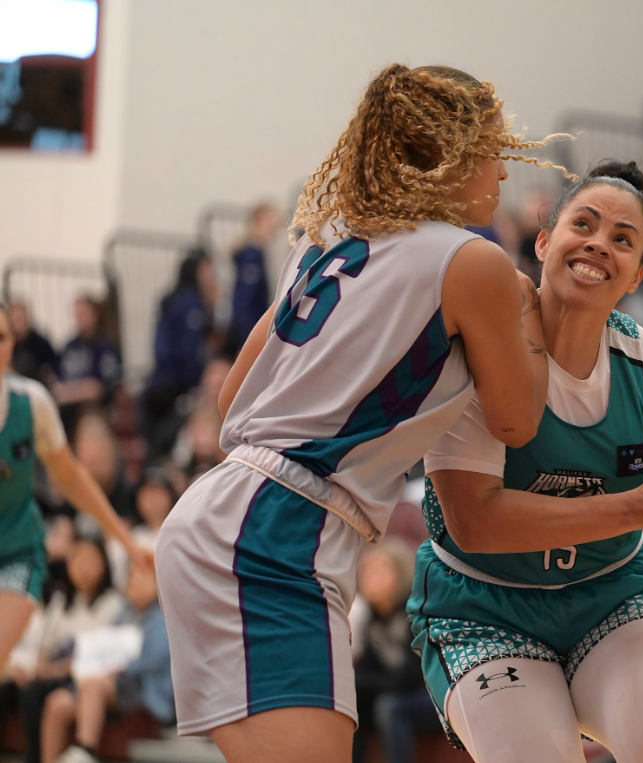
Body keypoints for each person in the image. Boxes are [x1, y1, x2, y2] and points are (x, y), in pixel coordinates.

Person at [154, 64, 554, 763]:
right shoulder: (474, 262)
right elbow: (518, 422)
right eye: (493, 148)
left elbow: (231, 396)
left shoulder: (330, 236)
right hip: (274, 533)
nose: (502, 170)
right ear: (448, 153)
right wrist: (527, 310)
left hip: (234, 509)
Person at [410, 161, 643, 763]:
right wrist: (636, 506)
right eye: (583, 223)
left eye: (623, 239)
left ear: (636, 276)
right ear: (544, 241)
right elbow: (474, 522)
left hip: (618, 591)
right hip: (483, 604)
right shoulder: (475, 357)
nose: (598, 244)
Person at [0, 303, 151, 682]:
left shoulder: (31, 403)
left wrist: (128, 544)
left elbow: (71, 479)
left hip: (18, 552)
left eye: (0, 337)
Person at [42, 562, 173, 763]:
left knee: (93, 684)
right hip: (108, 682)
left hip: (142, 686)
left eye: (144, 580)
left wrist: (114, 668)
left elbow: (148, 662)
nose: (137, 585)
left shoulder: (163, 617)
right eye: (133, 580)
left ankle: (86, 750)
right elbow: (102, 645)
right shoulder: (123, 614)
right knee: (58, 701)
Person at [14, 538, 127, 763]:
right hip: (54, 671)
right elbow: (46, 646)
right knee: (13, 688)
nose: (84, 567)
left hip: (83, 675)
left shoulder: (114, 603)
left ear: (104, 564)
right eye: (77, 560)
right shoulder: (61, 599)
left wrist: (54, 671)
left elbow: (100, 654)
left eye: (90, 560)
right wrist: (39, 668)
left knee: (36, 694)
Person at [351, 541, 437, 763]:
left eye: (381, 570)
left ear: (401, 574)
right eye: (367, 572)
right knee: (353, 703)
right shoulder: (372, 620)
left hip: (432, 697)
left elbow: (411, 678)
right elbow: (369, 671)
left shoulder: (417, 613)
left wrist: (362, 682)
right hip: (397, 693)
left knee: (389, 706)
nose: (372, 579)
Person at [141, 249, 220, 450]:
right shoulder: (189, 301)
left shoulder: (173, 300)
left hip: (162, 380)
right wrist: (196, 381)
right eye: (207, 268)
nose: (212, 274)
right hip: (176, 383)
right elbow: (189, 349)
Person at [51, 296, 121, 423]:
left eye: (83, 314)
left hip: (95, 410)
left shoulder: (104, 346)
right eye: (76, 315)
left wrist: (69, 393)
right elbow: (57, 385)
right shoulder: (70, 345)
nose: (79, 319)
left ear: (95, 314)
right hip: (68, 409)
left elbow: (97, 389)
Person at [228, 203, 282, 353]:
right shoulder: (251, 254)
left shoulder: (260, 252)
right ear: (260, 220)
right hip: (249, 328)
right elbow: (246, 297)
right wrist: (247, 335)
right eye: (271, 219)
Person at [8, 301, 57, 386]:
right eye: (13, 320)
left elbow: (50, 371)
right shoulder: (8, 344)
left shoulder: (40, 343)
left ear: (27, 318)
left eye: (19, 319)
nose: (16, 324)